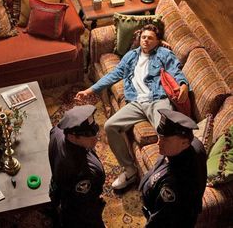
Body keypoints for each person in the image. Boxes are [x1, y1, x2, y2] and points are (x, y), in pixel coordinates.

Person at [76, 23, 189, 190]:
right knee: (110, 126)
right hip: (135, 102)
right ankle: (130, 170)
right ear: (139, 38)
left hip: (157, 100)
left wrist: (183, 85)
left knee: (167, 134)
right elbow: (113, 75)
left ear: (158, 41)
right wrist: (90, 90)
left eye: (150, 38)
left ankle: (174, 176)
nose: (146, 40)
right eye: (144, 37)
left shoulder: (164, 53)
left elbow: (176, 70)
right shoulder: (130, 56)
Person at [139, 109, 207, 228]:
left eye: (165, 140)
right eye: (159, 137)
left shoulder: (174, 184)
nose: (158, 143)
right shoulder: (194, 144)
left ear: (184, 143)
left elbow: (160, 221)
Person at [48, 105, 106, 228]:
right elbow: (86, 202)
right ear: (72, 136)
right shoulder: (85, 172)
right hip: (77, 208)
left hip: (59, 187)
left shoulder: (56, 131)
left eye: (95, 131)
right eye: (89, 135)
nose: (96, 138)